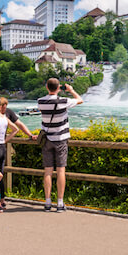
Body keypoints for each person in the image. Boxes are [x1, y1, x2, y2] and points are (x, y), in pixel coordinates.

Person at [37, 78, 83, 212]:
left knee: (48, 171)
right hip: (61, 139)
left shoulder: (40, 101)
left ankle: (47, 202)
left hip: (47, 140)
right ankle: (60, 203)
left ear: (46, 87)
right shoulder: (63, 101)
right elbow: (80, 100)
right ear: (58, 88)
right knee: (61, 170)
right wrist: (71, 90)